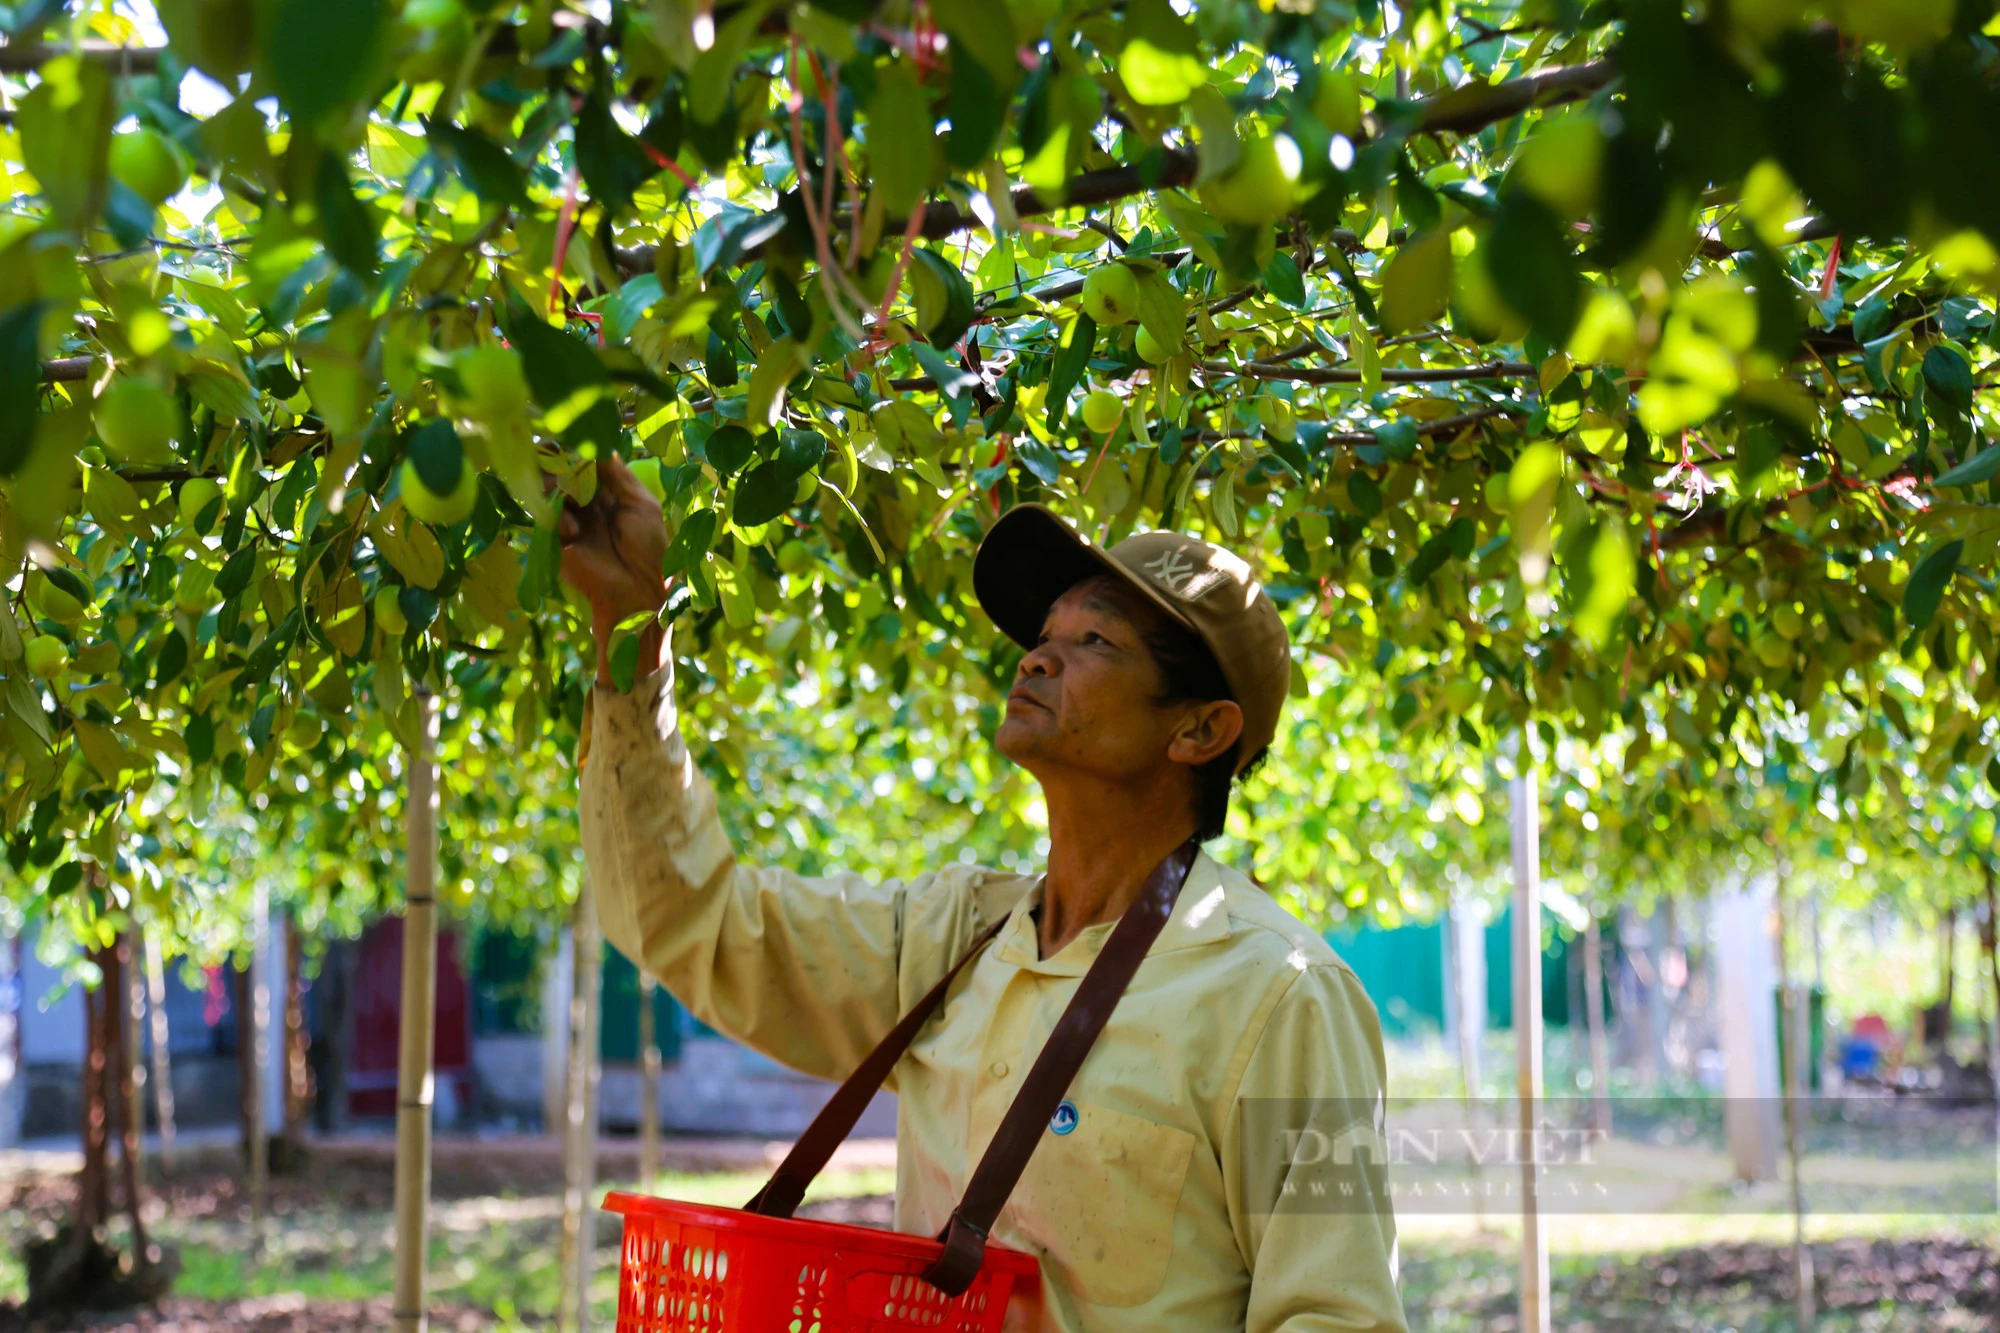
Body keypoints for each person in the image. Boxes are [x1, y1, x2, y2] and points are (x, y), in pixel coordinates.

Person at [562, 456, 1407, 1332]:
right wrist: (633, 635)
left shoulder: (1280, 995)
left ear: (1199, 728)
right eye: (1046, 632)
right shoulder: (953, 936)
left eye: (1095, 642)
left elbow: (1337, 1314)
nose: (1039, 657)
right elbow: (689, 918)